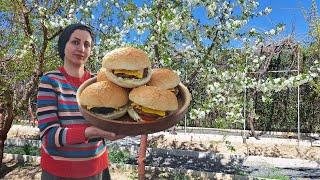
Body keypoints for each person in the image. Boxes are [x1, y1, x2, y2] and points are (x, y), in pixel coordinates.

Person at [36, 23, 124, 180]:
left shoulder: (99, 82)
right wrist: (90, 132)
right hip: (58, 173)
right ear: (64, 45)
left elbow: (113, 119)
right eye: (75, 42)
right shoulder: (50, 80)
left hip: (97, 169)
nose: (82, 49)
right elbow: (48, 136)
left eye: (87, 44)